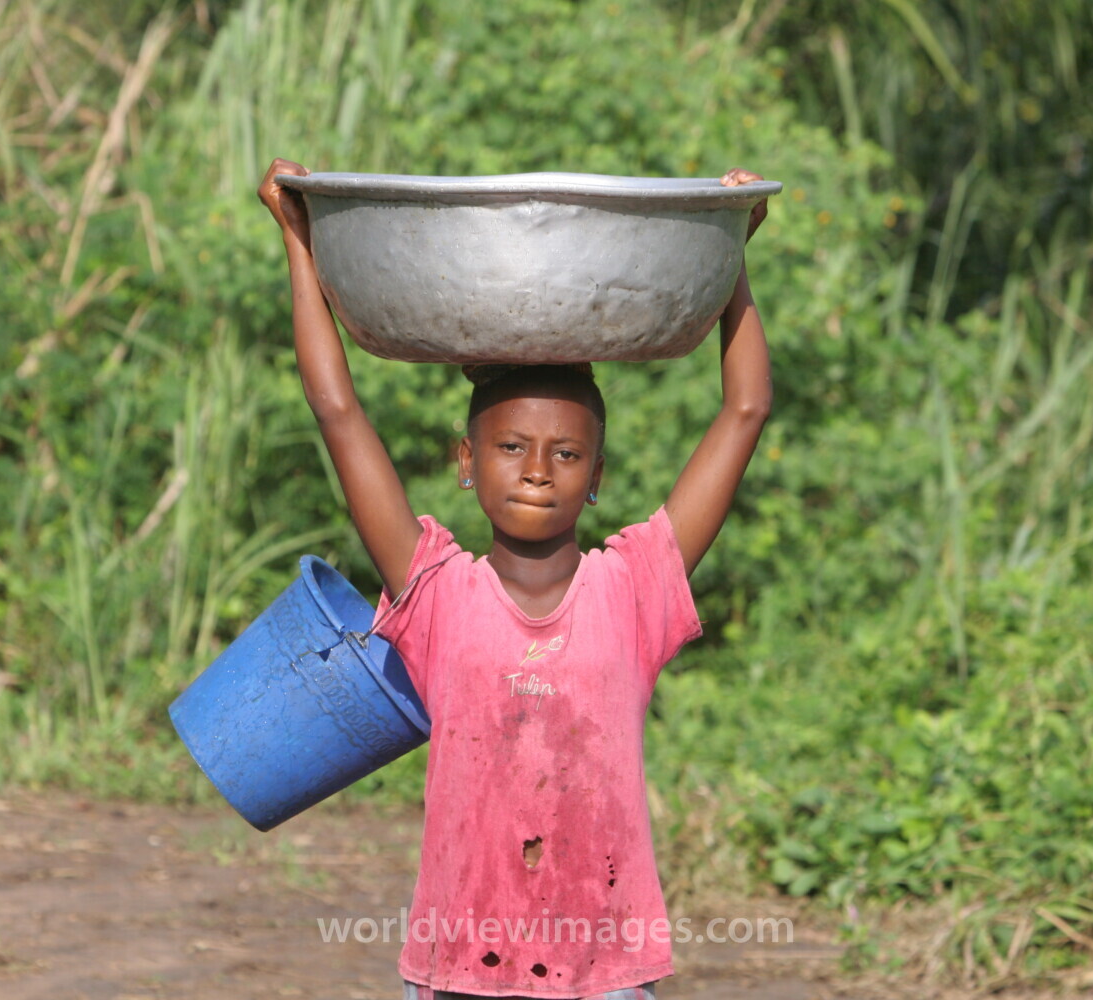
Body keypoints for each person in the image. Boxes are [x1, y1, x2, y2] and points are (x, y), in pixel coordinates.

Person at [257, 158, 771, 1000]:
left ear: (597, 473)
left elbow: (745, 411)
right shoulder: (435, 590)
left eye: (566, 454)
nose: (538, 472)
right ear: (466, 462)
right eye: (510, 448)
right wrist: (298, 242)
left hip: (604, 971)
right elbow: (337, 410)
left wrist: (729, 258)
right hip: (461, 970)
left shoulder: (633, 589)